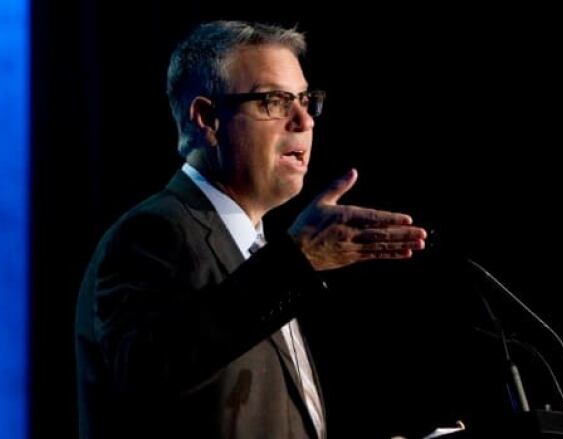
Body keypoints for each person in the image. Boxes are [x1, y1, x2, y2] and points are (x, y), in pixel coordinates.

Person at [75, 20, 427, 439]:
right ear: (207, 118)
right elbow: (145, 376)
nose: (303, 120)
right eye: (274, 101)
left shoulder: (258, 250)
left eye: (304, 99)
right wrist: (297, 261)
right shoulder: (154, 233)